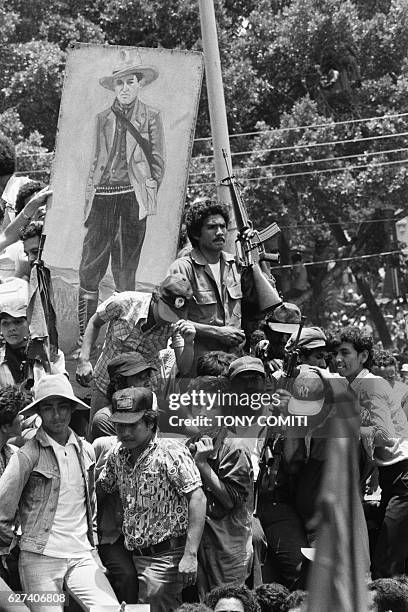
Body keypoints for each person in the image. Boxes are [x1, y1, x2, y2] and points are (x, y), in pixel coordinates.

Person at [0, 374, 119, 612]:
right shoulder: (27, 455)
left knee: (110, 608)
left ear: (72, 408)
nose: (57, 415)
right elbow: (3, 511)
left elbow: (90, 506)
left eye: (63, 406)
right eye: (48, 407)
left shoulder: (85, 450)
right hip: (40, 556)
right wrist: (10, 548)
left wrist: (93, 549)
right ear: (40, 412)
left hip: (80, 554)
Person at [77, 51, 165, 338]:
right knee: (90, 267)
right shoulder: (103, 118)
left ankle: (120, 337)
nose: (125, 88)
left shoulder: (151, 116)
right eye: (120, 83)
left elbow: (158, 163)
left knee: (125, 270)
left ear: (139, 84)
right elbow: (95, 161)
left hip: (131, 197)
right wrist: (89, 196)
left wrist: (147, 192)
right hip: (102, 196)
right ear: (114, 88)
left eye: (130, 81)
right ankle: (84, 338)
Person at [97, 387, 206, 612]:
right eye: (120, 425)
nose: (125, 432)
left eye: (132, 425)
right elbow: (100, 490)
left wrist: (190, 555)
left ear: (150, 422)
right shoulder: (118, 454)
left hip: (165, 557)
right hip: (132, 555)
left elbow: (197, 498)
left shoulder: (171, 451)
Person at [332, 326, 408, 578]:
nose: (338, 359)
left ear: (363, 356)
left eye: (345, 353)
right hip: (391, 477)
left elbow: (385, 437)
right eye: (335, 353)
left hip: (403, 477)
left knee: (386, 561)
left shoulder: (370, 385)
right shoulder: (354, 386)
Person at [76, 272, 195, 424]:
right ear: (156, 297)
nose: (168, 320)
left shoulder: (176, 325)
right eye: (167, 313)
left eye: (174, 315)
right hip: (106, 383)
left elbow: (184, 368)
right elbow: (95, 322)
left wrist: (189, 343)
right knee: (99, 426)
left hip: (143, 393)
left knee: (138, 438)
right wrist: (84, 359)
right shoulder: (124, 302)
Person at [169, 199, 246, 374]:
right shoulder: (182, 268)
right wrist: (217, 332)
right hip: (199, 368)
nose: (220, 232)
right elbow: (173, 320)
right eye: (212, 227)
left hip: (235, 365)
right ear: (196, 234)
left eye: (223, 226)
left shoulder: (236, 266)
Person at [0, 277, 66, 389]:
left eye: (18, 322)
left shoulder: (52, 354)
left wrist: (44, 360)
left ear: (30, 323)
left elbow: (61, 389)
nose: (11, 328)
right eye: (5, 323)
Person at [0, 386, 31, 591]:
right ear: (5, 426)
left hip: (12, 547)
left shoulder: (13, 453)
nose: (25, 419)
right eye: (20, 415)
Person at [91, 351, 157, 440]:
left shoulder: (156, 408)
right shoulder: (105, 419)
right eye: (140, 378)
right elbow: (127, 450)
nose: (148, 383)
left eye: (147, 377)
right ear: (118, 385)